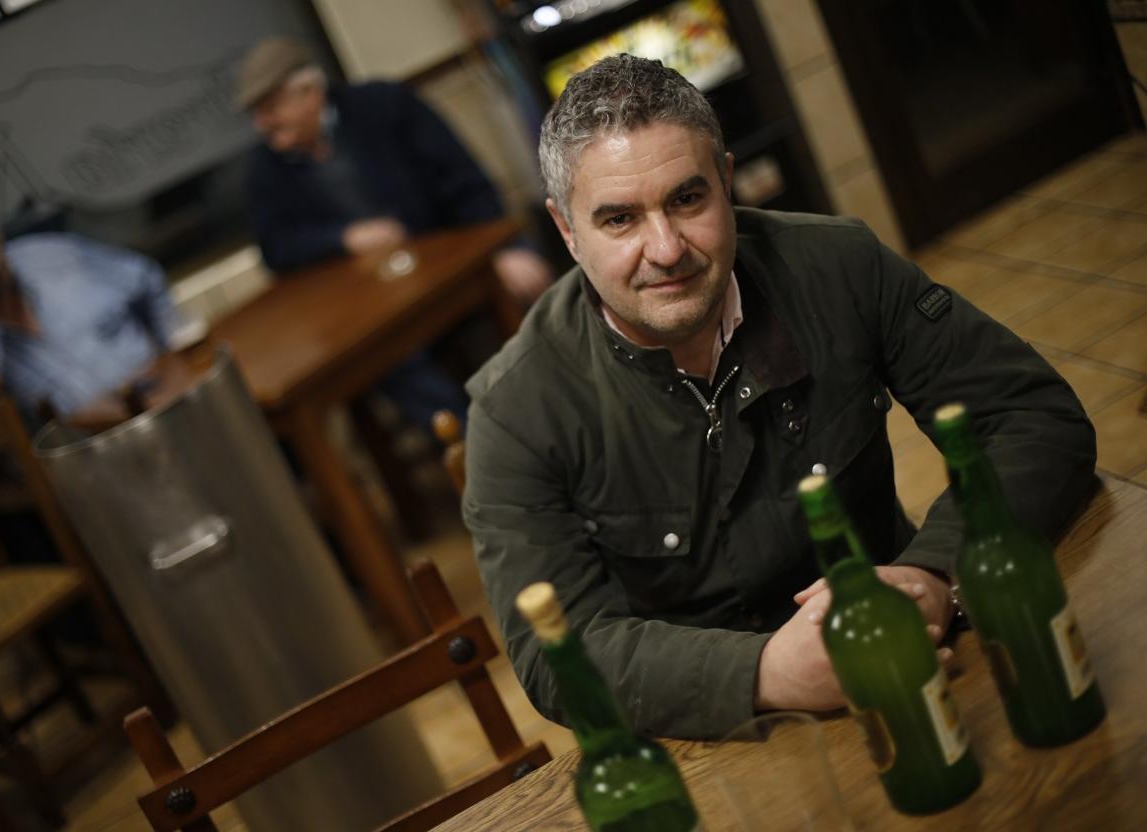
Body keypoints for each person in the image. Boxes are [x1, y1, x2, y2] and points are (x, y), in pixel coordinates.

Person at [463, 55, 1096, 740]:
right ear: (566, 231)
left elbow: (1033, 417)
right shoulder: (515, 410)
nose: (667, 248)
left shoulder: (840, 266)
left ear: (728, 183)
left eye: (687, 199)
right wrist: (764, 673)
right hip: (716, 733)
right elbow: (556, 655)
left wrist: (935, 573)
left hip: (922, 655)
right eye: (619, 220)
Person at [235, 37, 554, 433]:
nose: (262, 124)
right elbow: (275, 248)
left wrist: (501, 248)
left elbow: (464, 182)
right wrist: (343, 238)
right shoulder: (264, 169)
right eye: (257, 114)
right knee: (380, 360)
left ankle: (561, 420)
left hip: (457, 261)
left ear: (309, 93)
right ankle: (475, 451)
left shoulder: (384, 106)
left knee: (528, 294)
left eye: (270, 109)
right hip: (372, 305)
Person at [0, 189, 178, 425]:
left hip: (164, 403)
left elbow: (145, 277)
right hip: (82, 452)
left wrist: (172, 354)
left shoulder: (52, 254)